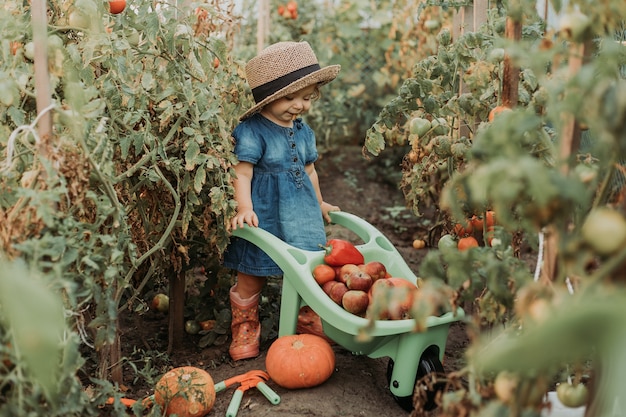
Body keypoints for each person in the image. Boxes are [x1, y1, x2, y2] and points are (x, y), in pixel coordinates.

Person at [222, 41, 341, 361]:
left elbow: (310, 170)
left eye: (306, 97)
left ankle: (306, 316)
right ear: (269, 98)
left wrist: (320, 203)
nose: (299, 105)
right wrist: (244, 207)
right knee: (251, 272)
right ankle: (245, 324)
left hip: (300, 211)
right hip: (263, 212)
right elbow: (242, 173)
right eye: (290, 97)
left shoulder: (304, 132)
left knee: (308, 267)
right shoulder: (252, 131)